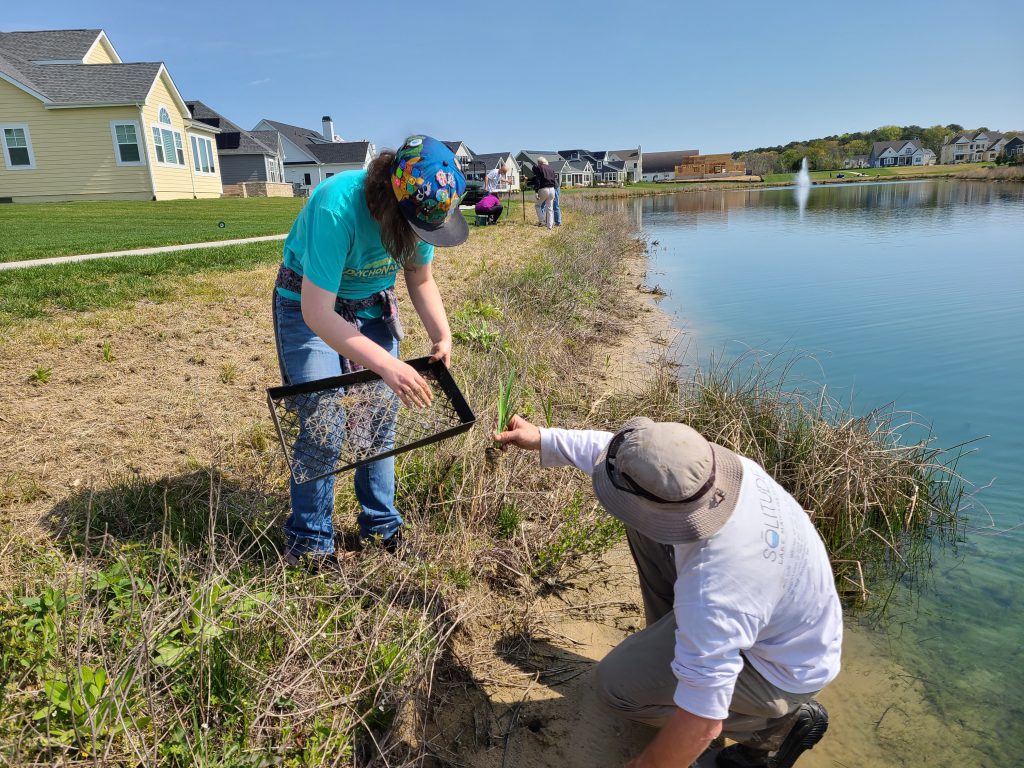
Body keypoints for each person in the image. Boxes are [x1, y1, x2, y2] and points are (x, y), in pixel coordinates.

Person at [495, 415, 843, 768]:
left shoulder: (716, 588)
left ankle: (774, 729)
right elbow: (625, 460)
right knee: (643, 529)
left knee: (616, 688)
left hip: (780, 671)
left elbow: (704, 722)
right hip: (776, 624)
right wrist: (544, 438)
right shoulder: (715, 476)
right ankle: (680, 665)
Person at [272, 135, 468, 569]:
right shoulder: (335, 206)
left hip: (372, 306)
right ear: (389, 201)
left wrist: (442, 334)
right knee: (325, 422)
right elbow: (317, 313)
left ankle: (381, 525)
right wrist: (388, 365)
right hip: (308, 305)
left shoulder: (423, 209)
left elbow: (420, 279)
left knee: (379, 421)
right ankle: (310, 544)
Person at [531, 156, 557, 229]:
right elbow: (554, 180)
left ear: (539, 162)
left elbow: (538, 180)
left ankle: (542, 221)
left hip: (543, 189)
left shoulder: (539, 168)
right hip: (552, 189)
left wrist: (536, 191)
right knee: (550, 209)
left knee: (537, 205)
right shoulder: (551, 168)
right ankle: (550, 226)